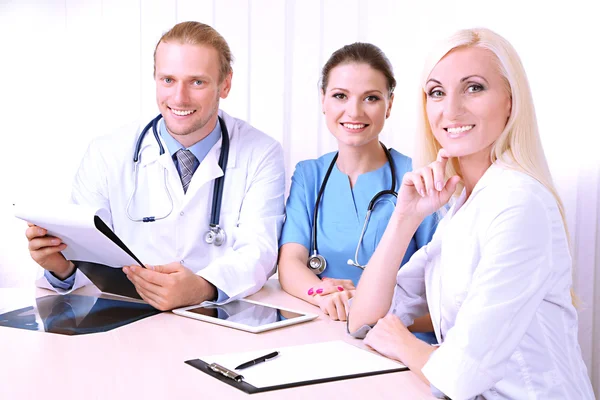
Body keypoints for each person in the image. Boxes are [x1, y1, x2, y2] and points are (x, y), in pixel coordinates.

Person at [347, 28, 594, 399]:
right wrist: (404, 219)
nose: (451, 109)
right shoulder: (463, 208)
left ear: (511, 102)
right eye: (437, 92)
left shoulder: (520, 203)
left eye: (474, 88)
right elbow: (363, 319)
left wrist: (403, 342)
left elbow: (458, 377)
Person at [25, 21, 285, 311]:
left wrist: (202, 287)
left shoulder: (261, 152)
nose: (179, 98)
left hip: (219, 319)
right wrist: (61, 267)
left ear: (225, 84)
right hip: (126, 318)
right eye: (168, 80)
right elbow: (87, 250)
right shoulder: (106, 152)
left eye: (197, 81)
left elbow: (259, 250)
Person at [278, 42, 437, 339]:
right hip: (324, 331)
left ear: (389, 104)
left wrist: (366, 312)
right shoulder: (309, 175)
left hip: (399, 340)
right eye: (340, 96)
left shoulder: (418, 178)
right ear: (323, 101)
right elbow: (290, 262)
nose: (354, 111)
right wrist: (322, 294)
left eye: (371, 98)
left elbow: (443, 293)